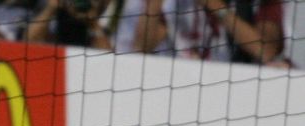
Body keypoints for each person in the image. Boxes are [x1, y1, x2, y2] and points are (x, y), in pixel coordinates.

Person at [136, 0, 289, 64]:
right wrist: (154, 4)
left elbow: (266, 52)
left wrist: (215, 6)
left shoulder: (258, 3)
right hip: (180, 81)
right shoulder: (175, 4)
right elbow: (142, 48)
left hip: (237, 87)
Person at [24, 0, 114, 48]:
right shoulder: (58, 14)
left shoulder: (97, 21)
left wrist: (93, 24)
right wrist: (50, 9)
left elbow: (109, 56)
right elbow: (27, 41)